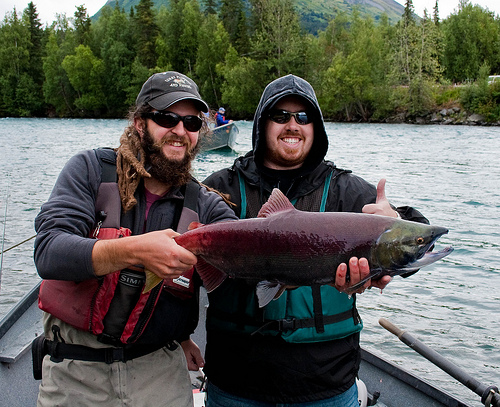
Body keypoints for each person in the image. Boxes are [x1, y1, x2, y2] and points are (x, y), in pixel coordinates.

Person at [202, 74, 429, 406]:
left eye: (303, 117)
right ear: (262, 125)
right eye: (280, 116)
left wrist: (391, 219)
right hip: (235, 385)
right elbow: (177, 260)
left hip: (326, 386)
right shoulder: (220, 187)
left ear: (316, 128)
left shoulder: (346, 191)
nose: (293, 125)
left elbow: (417, 237)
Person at [33, 71, 237, 407]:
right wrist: (136, 250)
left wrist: (332, 258)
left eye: (191, 122)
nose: (180, 131)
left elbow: (242, 269)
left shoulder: (207, 205)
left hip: (160, 373)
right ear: (140, 123)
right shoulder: (88, 170)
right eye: (167, 117)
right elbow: (50, 252)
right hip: (74, 372)